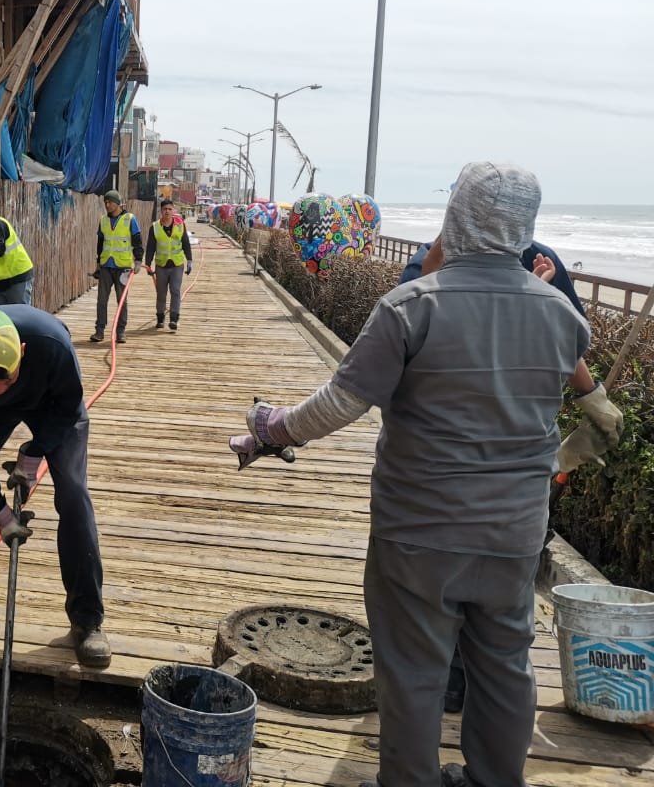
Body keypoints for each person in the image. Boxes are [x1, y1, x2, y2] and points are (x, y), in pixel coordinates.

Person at [228, 163, 591, 787]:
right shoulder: (560, 315)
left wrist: (271, 428)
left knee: (416, 670)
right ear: (523, 228)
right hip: (515, 534)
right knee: (506, 666)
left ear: (456, 221)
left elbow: (339, 405)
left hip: (419, 533)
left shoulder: (411, 307)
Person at [399, 233, 624, 715]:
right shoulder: (534, 271)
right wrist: (569, 446)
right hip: (514, 482)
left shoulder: (436, 266)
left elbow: (409, 337)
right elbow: (598, 405)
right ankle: (479, 698)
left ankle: (449, 688)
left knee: (446, 593)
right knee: (498, 607)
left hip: (450, 480)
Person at [0, 306, 111, 667]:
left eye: (7, 380)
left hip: (51, 402)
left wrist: (36, 452)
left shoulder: (53, 345)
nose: (0, 388)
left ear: (24, 351)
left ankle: (87, 618)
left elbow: (67, 406)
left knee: (74, 492)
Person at [91, 189, 143, 343]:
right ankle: (99, 331)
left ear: (118, 203)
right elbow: (100, 244)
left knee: (122, 301)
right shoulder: (103, 221)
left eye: (110, 202)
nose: (107, 205)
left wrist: (138, 260)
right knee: (102, 300)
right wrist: (98, 264)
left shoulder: (130, 219)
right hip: (106, 265)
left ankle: (121, 332)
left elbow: (137, 241)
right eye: (105, 202)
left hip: (123, 266)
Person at [144, 198, 193, 330]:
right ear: (161, 211)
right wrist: (148, 264)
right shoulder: (154, 227)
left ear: (174, 211)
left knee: (175, 291)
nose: (167, 211)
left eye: (170, 209)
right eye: (165, 209)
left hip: (177, 264)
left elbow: (186, 244)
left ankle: (174, 319)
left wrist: (189, 261)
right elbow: (150, 248)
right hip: (161, 266)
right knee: (161, 293)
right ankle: (160, 319)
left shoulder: (180, 225)